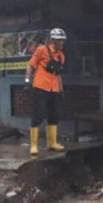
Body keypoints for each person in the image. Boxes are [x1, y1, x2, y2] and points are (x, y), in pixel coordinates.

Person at [25, 28, 67, 156]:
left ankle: (52, 143)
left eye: (63, 41)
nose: (62, 44)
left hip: (54, 88)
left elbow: (58, 74)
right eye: (60, 41)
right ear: (54, 41)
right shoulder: (42, 50)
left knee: (54, 115)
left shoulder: (61, 56)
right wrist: (27, 81)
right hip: (41, 86)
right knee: (38, 114)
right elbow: (30, 65)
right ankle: (33, 145)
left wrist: (61, 90)